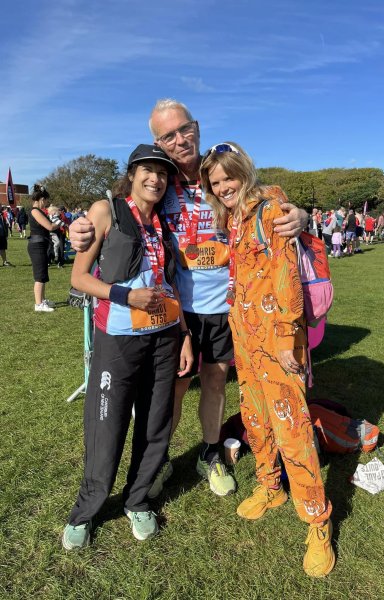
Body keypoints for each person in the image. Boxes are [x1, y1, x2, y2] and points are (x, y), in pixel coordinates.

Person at [69, 99, 308, 499]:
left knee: (215, 381)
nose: (179, 140)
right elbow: (114, 205)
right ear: (157, 142)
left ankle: (210, 454)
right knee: (174, 388)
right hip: (174, 310)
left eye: (183, 129)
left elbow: (260, 196)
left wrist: (301, 215)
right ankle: (158, 461)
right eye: (167, 135)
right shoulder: (158, 179)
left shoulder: (219, 170)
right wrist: (80, 226)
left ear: (196, 126)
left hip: (228, 307)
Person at [199, 142, 334, 578]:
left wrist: (283, 335)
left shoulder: (270, 206)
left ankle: (318, 520)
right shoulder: (234, 218)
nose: (222, 187)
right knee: (255, 418)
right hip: (246, 339)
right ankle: (270, 486)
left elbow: (285, 272)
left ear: (244, 171)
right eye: (214, 182)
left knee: (292, 428)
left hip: (278, 340)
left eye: (227, 178)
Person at [62, 144, 194, 550]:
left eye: (162, 173)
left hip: (164, 337)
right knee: (107, 426)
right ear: (132, 173)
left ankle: (138, 499)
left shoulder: (165, 224)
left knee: (156, 423)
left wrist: (185, 333)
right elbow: (79, 279)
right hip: (118, 341)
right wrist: (124, 297)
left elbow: (171, 284)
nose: (155, 179)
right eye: (148, 171)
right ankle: (86, 511)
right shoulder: (107, 211)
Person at [27, 185, 61, 312]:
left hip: (42, 244)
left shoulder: (39, 211)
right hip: (37, 245)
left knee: (43, 274)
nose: (46, 203)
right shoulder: (35, 211)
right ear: (41, 199)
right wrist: (59, 222)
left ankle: (42, 300)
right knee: (39, 276)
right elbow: (50, 227)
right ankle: (38, 304)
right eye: (45, 200)